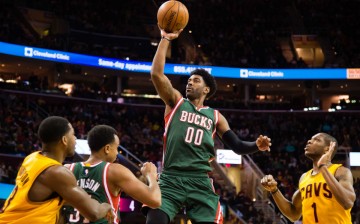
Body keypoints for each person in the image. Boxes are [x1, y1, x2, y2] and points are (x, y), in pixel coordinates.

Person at [143, 28, 271, 224]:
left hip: (200, 181)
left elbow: (236, 146)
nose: (189, 84)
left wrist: (256, 145)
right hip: (170, 178)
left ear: (206, 89)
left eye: (195, 81)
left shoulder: (216, 116)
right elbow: (156, 74)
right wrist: (165, 39)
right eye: (188, 81)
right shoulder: (176, 102)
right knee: (154, 220)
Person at [0, 116, 113, 224]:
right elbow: (94, 213)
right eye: (73, 134)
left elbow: (56, 200)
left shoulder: (32, 158)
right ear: (64, 140)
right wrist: (107, 206)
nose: (75, 139)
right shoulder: (56, 172)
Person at [61, 125, 161, 223]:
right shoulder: (114, 171)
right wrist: (151, 175)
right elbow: (155, 200)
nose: (117, 153)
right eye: (117, 148)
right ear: (107, 148)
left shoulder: (68, 169)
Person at [261, 133, 356, 223]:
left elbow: (347, 202)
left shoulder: (340, 171)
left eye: (317, 140)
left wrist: (322, 167)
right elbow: (293, 214)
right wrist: (274, 190)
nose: (309, 141)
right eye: (310, 139)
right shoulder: (304, 177)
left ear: (327, 149)